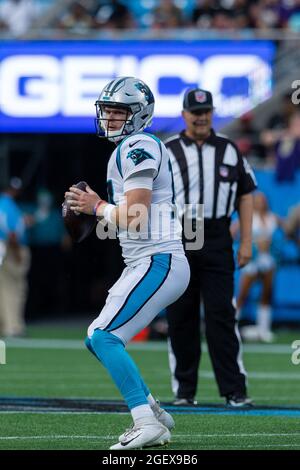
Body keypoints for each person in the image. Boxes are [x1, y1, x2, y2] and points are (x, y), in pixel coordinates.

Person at [65, 76, 190, 450]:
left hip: (159, 258)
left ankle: (144, 421)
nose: (111, 118)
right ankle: (154, 411)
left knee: (105, 337)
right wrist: (94, 207)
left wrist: (96, 207)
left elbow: (134, 215)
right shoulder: (128, 147)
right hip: (144, 262)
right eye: (108, 111)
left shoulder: (139, 144)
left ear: (140, 115)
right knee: (95, 338)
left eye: (119, 111)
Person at [165, 87, 257, 407]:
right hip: (181, 231)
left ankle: (234, 390)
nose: (201, 117)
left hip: (217, 232)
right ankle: (184, 390)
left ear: (212, 113)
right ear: (184, 114)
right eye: (195, 112)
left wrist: (246, 240)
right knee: (181, 315)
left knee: (221, 315)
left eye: (206, 112)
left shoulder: (230, 149)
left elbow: (246, 193)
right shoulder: (167, 150)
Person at [234, 192, 278, 343]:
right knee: (242, 295)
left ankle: (264, 329)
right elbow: (233, 232)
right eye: (257, 200)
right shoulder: (247, 217)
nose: (260, 203)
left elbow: (287, 232)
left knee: (266, 294)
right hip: (251, 260)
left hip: (267, 260)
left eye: (262, 200)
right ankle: (231, 327)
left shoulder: (273, 218)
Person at [0, 177, 31, 337]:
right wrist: (17, 251)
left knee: (5, 288)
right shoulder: (7, 205)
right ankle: (13, 327)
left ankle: (6, 325)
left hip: (5, 248)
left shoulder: (7, 204)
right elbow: (10, 232)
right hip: (10, 249)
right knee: (15, 288)